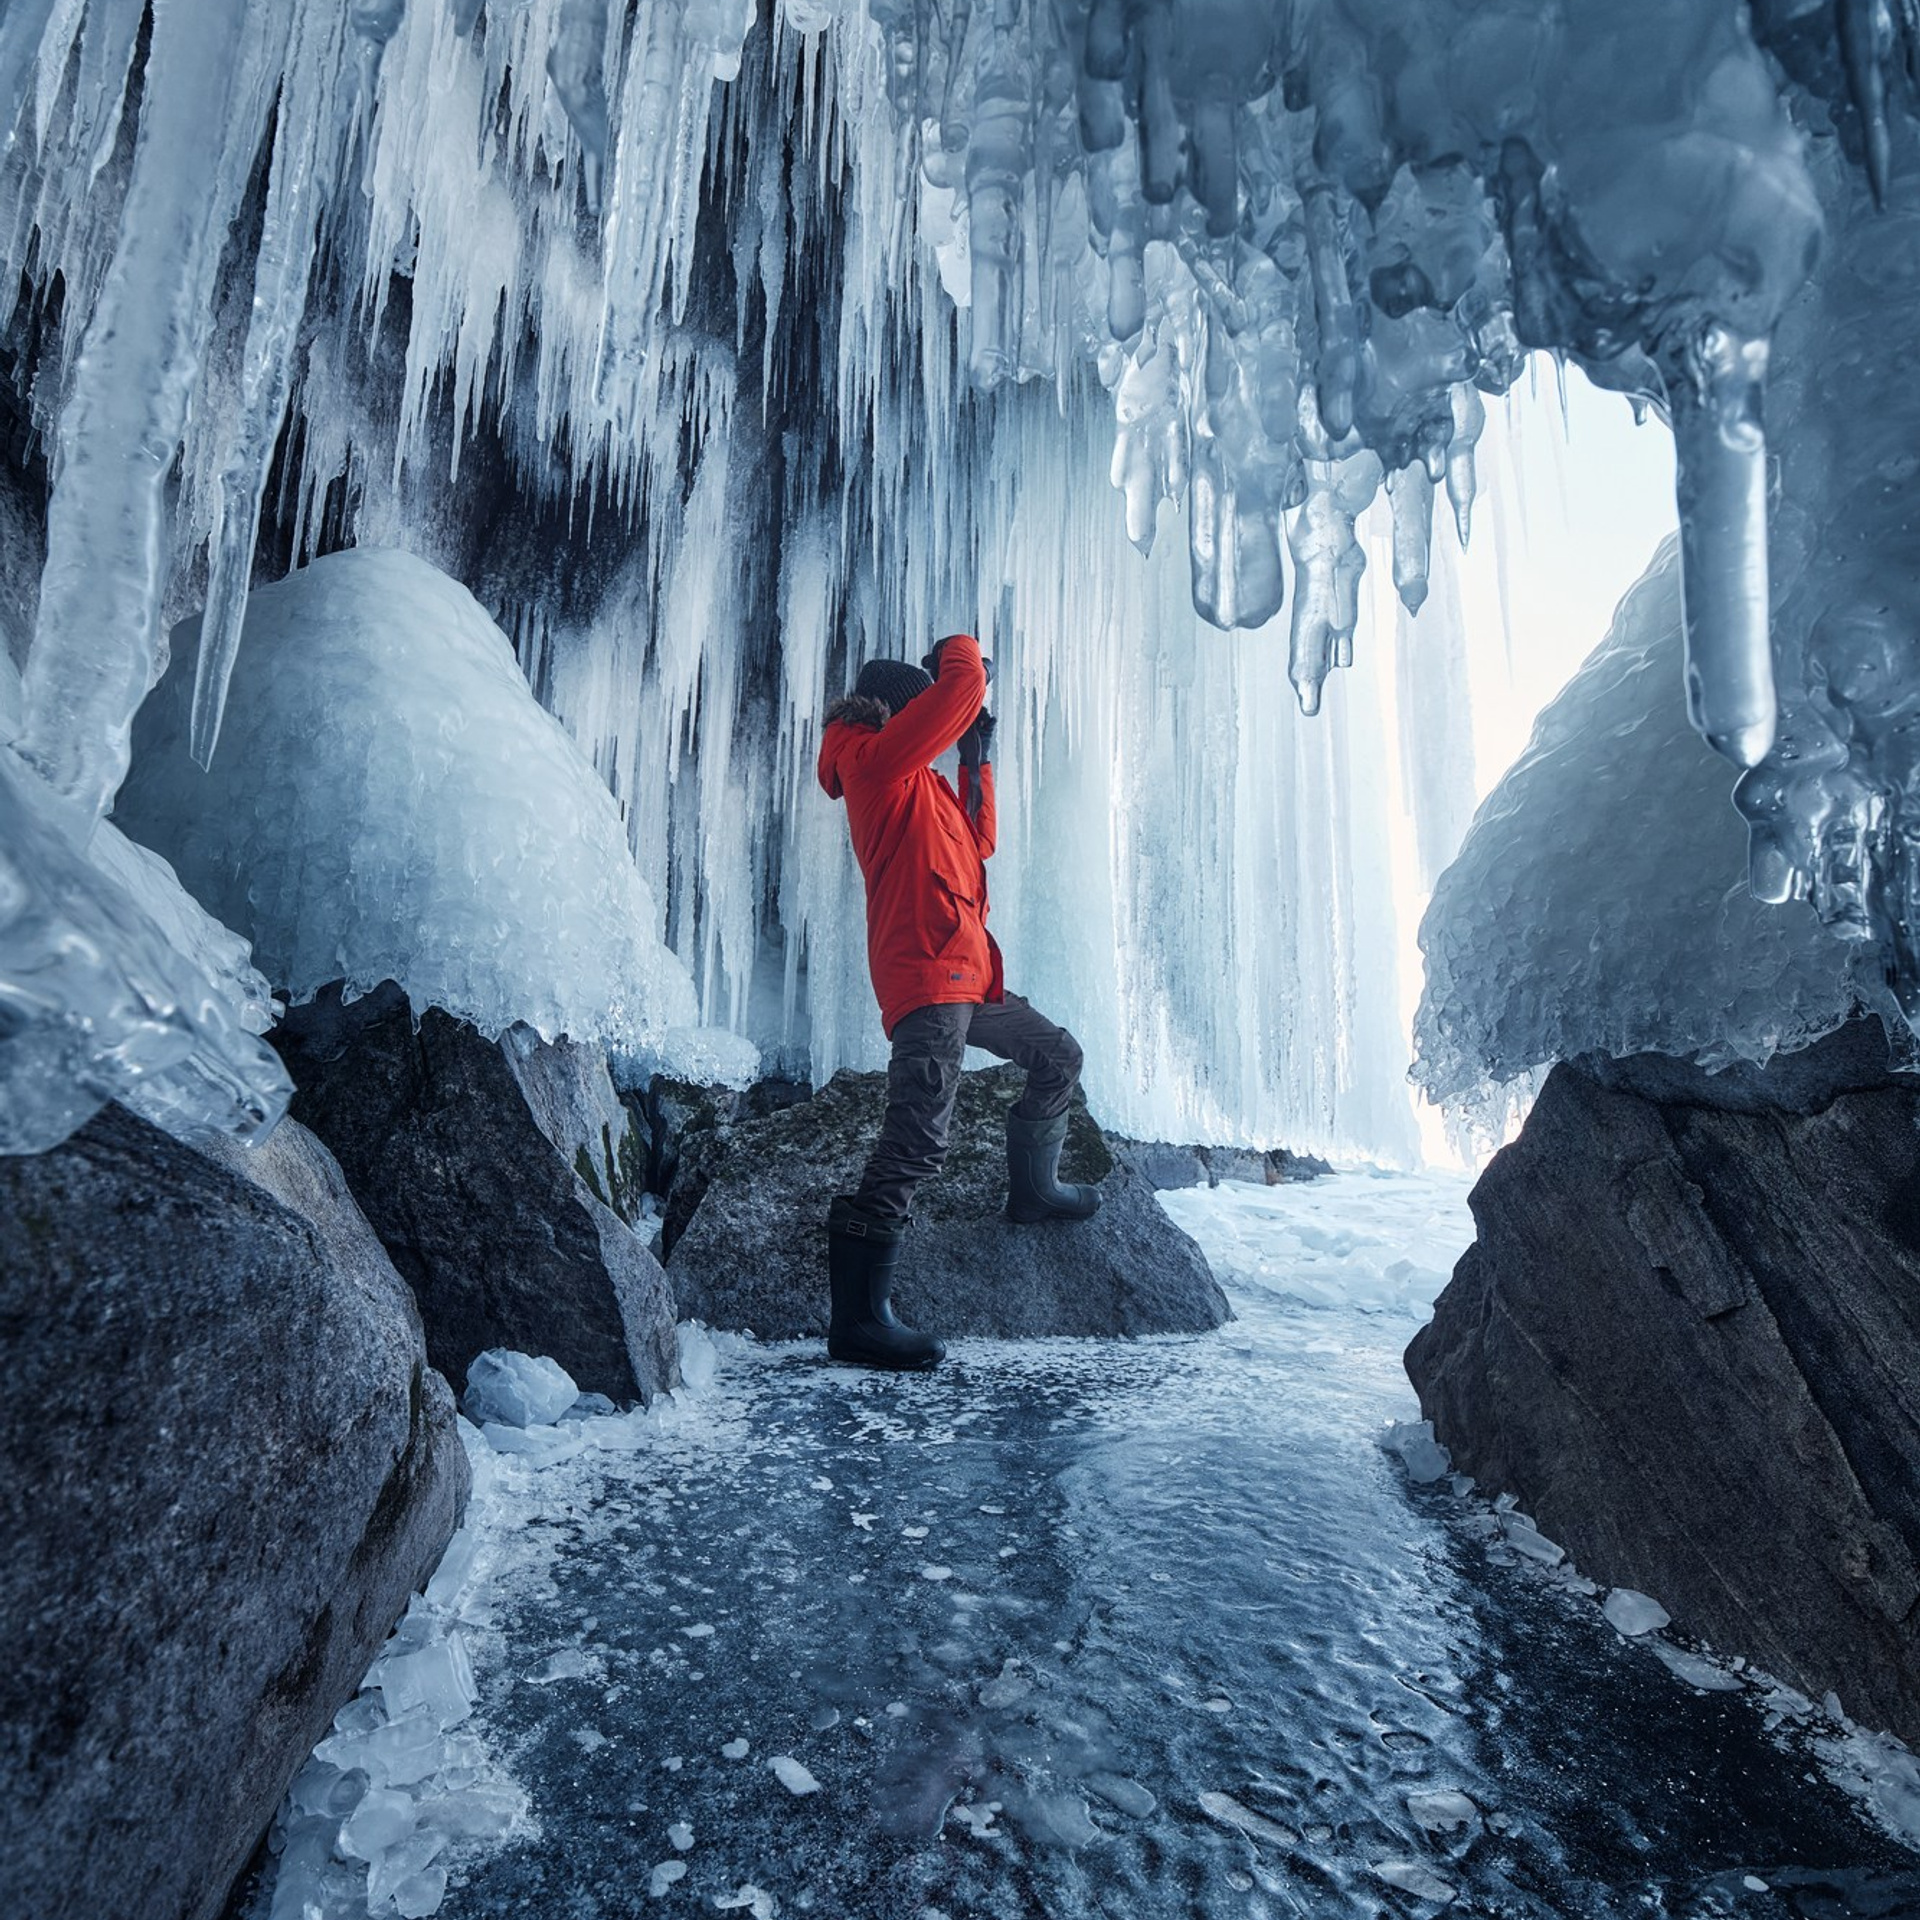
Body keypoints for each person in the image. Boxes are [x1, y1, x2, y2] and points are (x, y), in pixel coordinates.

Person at [815, 631, 1099, 1372]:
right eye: (933, 723)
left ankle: (1034, 1191)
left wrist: (977, 756)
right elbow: (961, 687)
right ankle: (859, 1319)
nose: (938, 734)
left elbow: (978, 841)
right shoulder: (874, 762)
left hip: (970, 973)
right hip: (926, 975)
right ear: (895, 715)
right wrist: (959, 650)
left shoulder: (920, 783)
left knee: (1058, 1056)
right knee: (917, 1138)